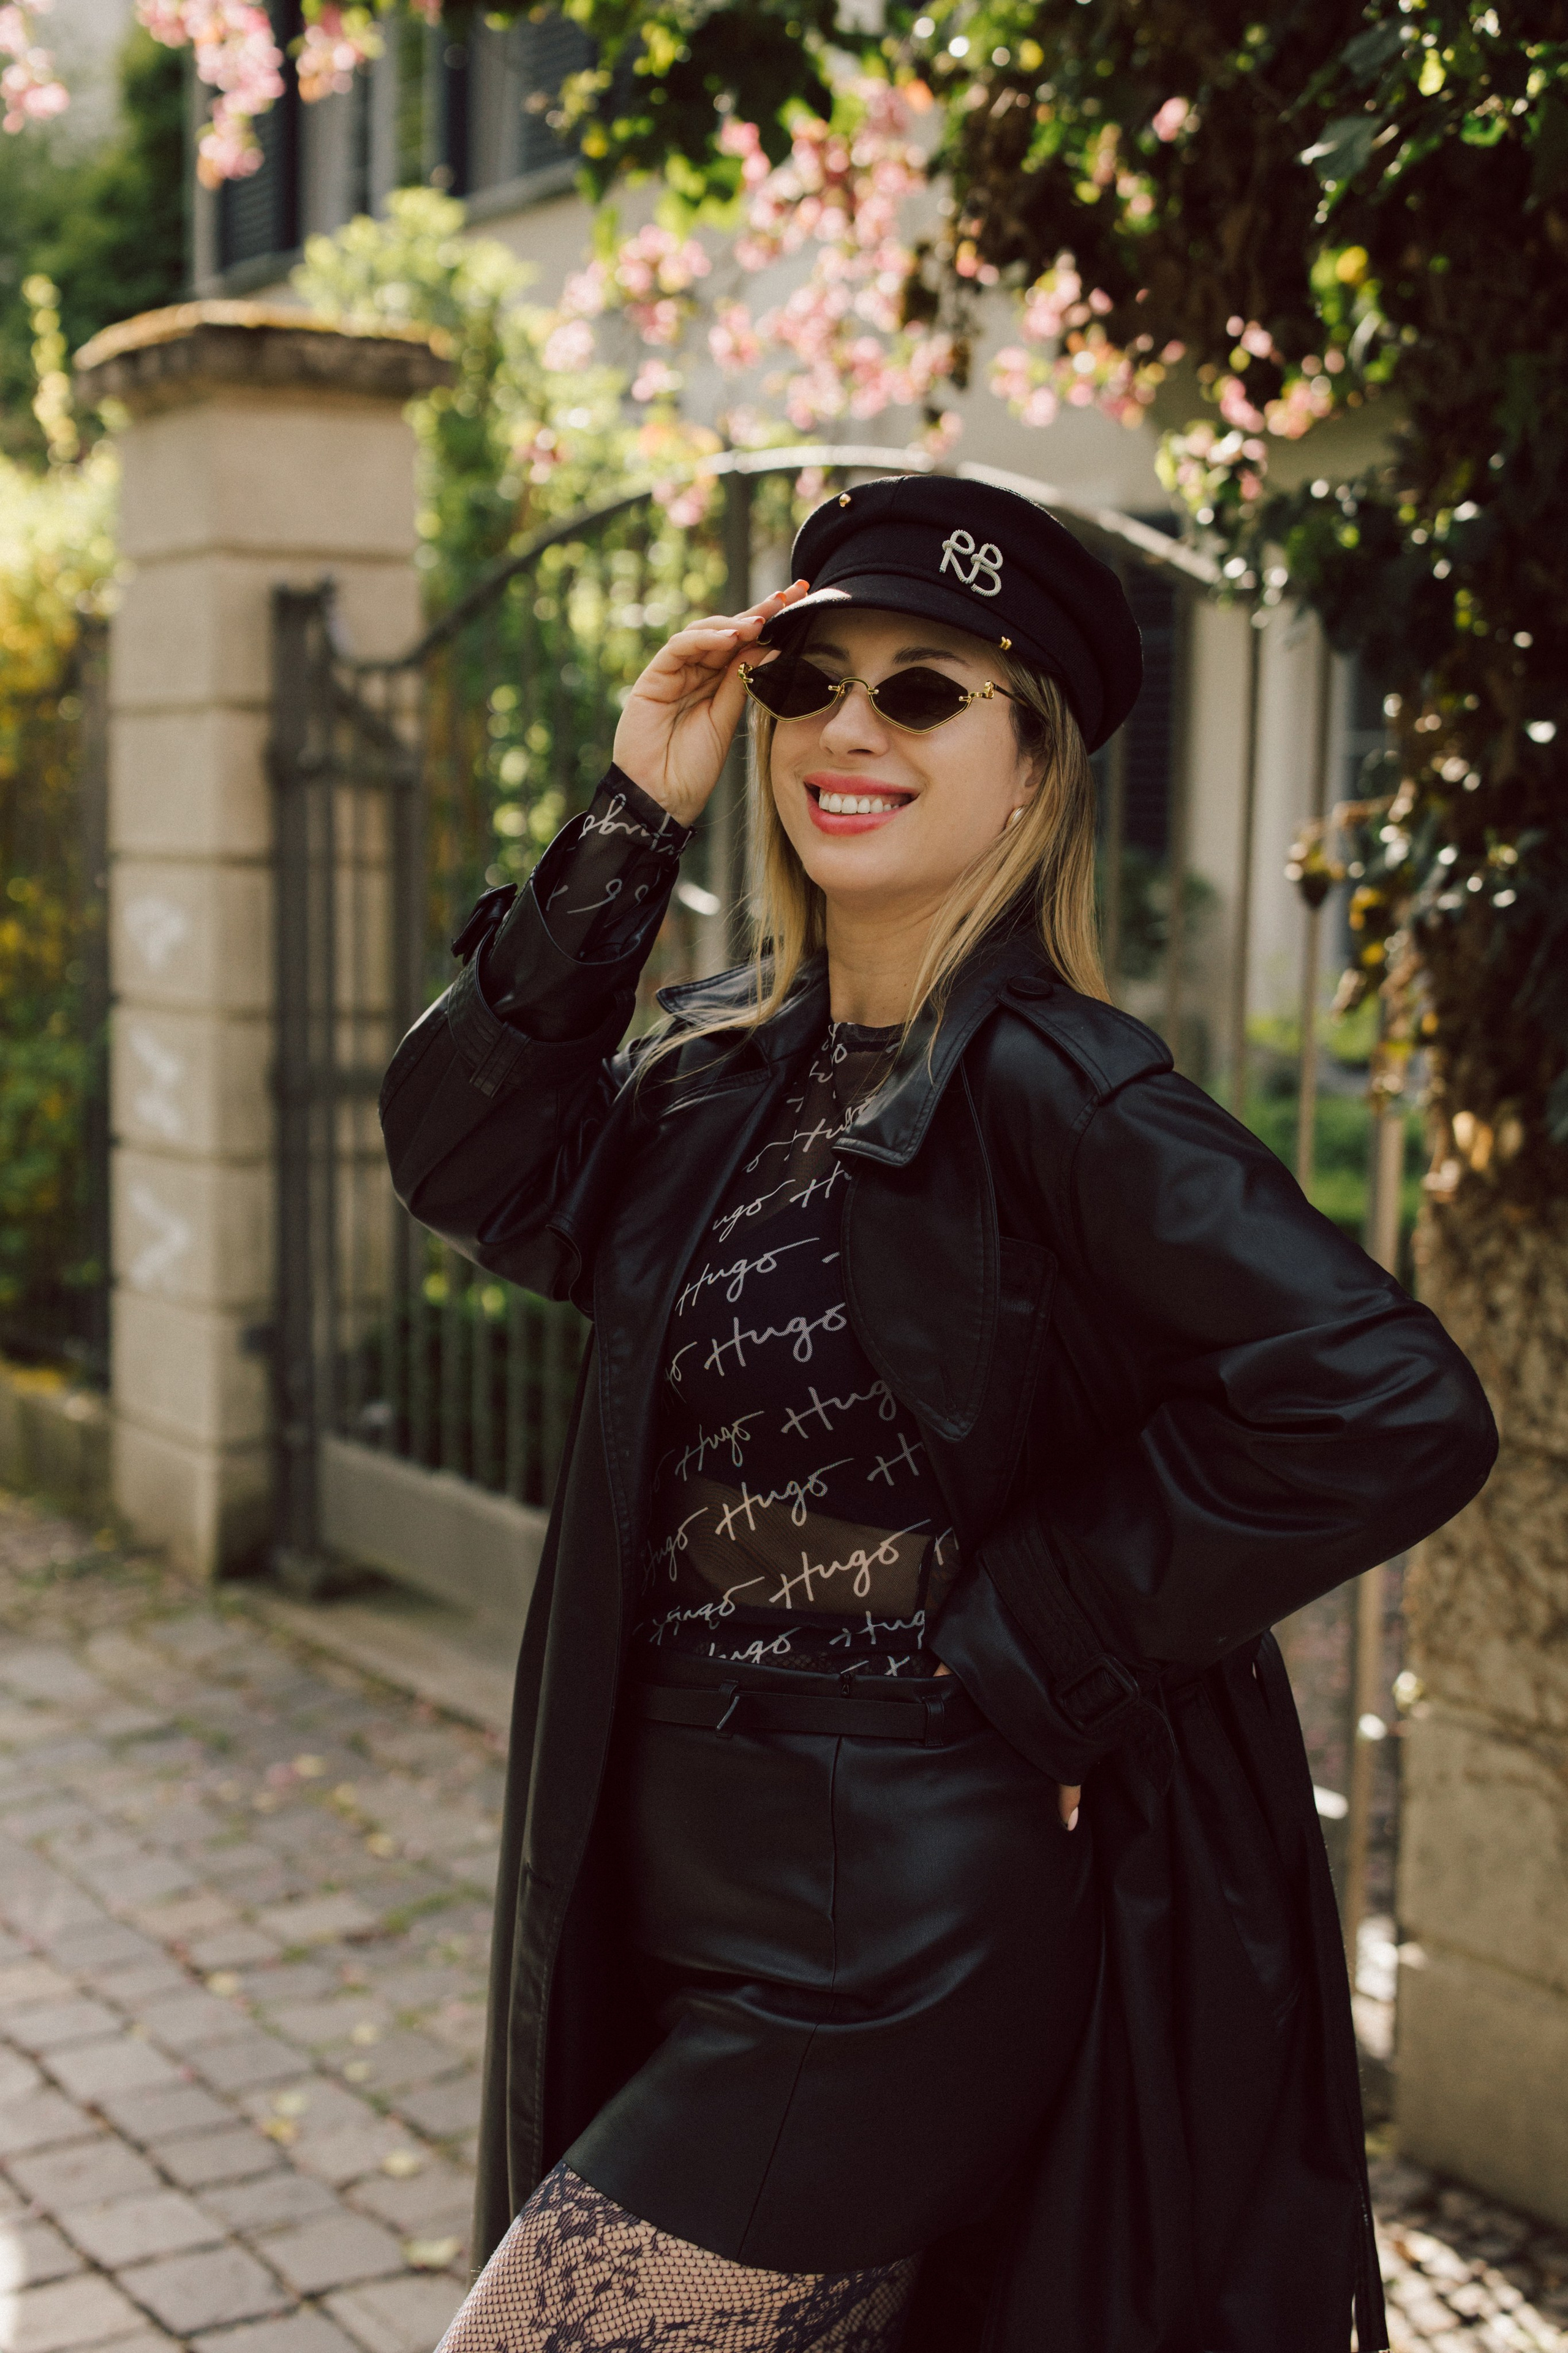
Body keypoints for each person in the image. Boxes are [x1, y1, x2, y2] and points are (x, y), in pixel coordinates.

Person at [380, 474, 1496, 2353]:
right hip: (658, 1857)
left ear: (1034, 767)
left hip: (887, 1920)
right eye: (812, 680)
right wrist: (634, 809)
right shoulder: (719, 1071)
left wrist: (1050, 1633)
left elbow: (1387, 1400)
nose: (845, 729)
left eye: (924, 693)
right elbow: (468, 1155)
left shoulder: (1070, 1090)